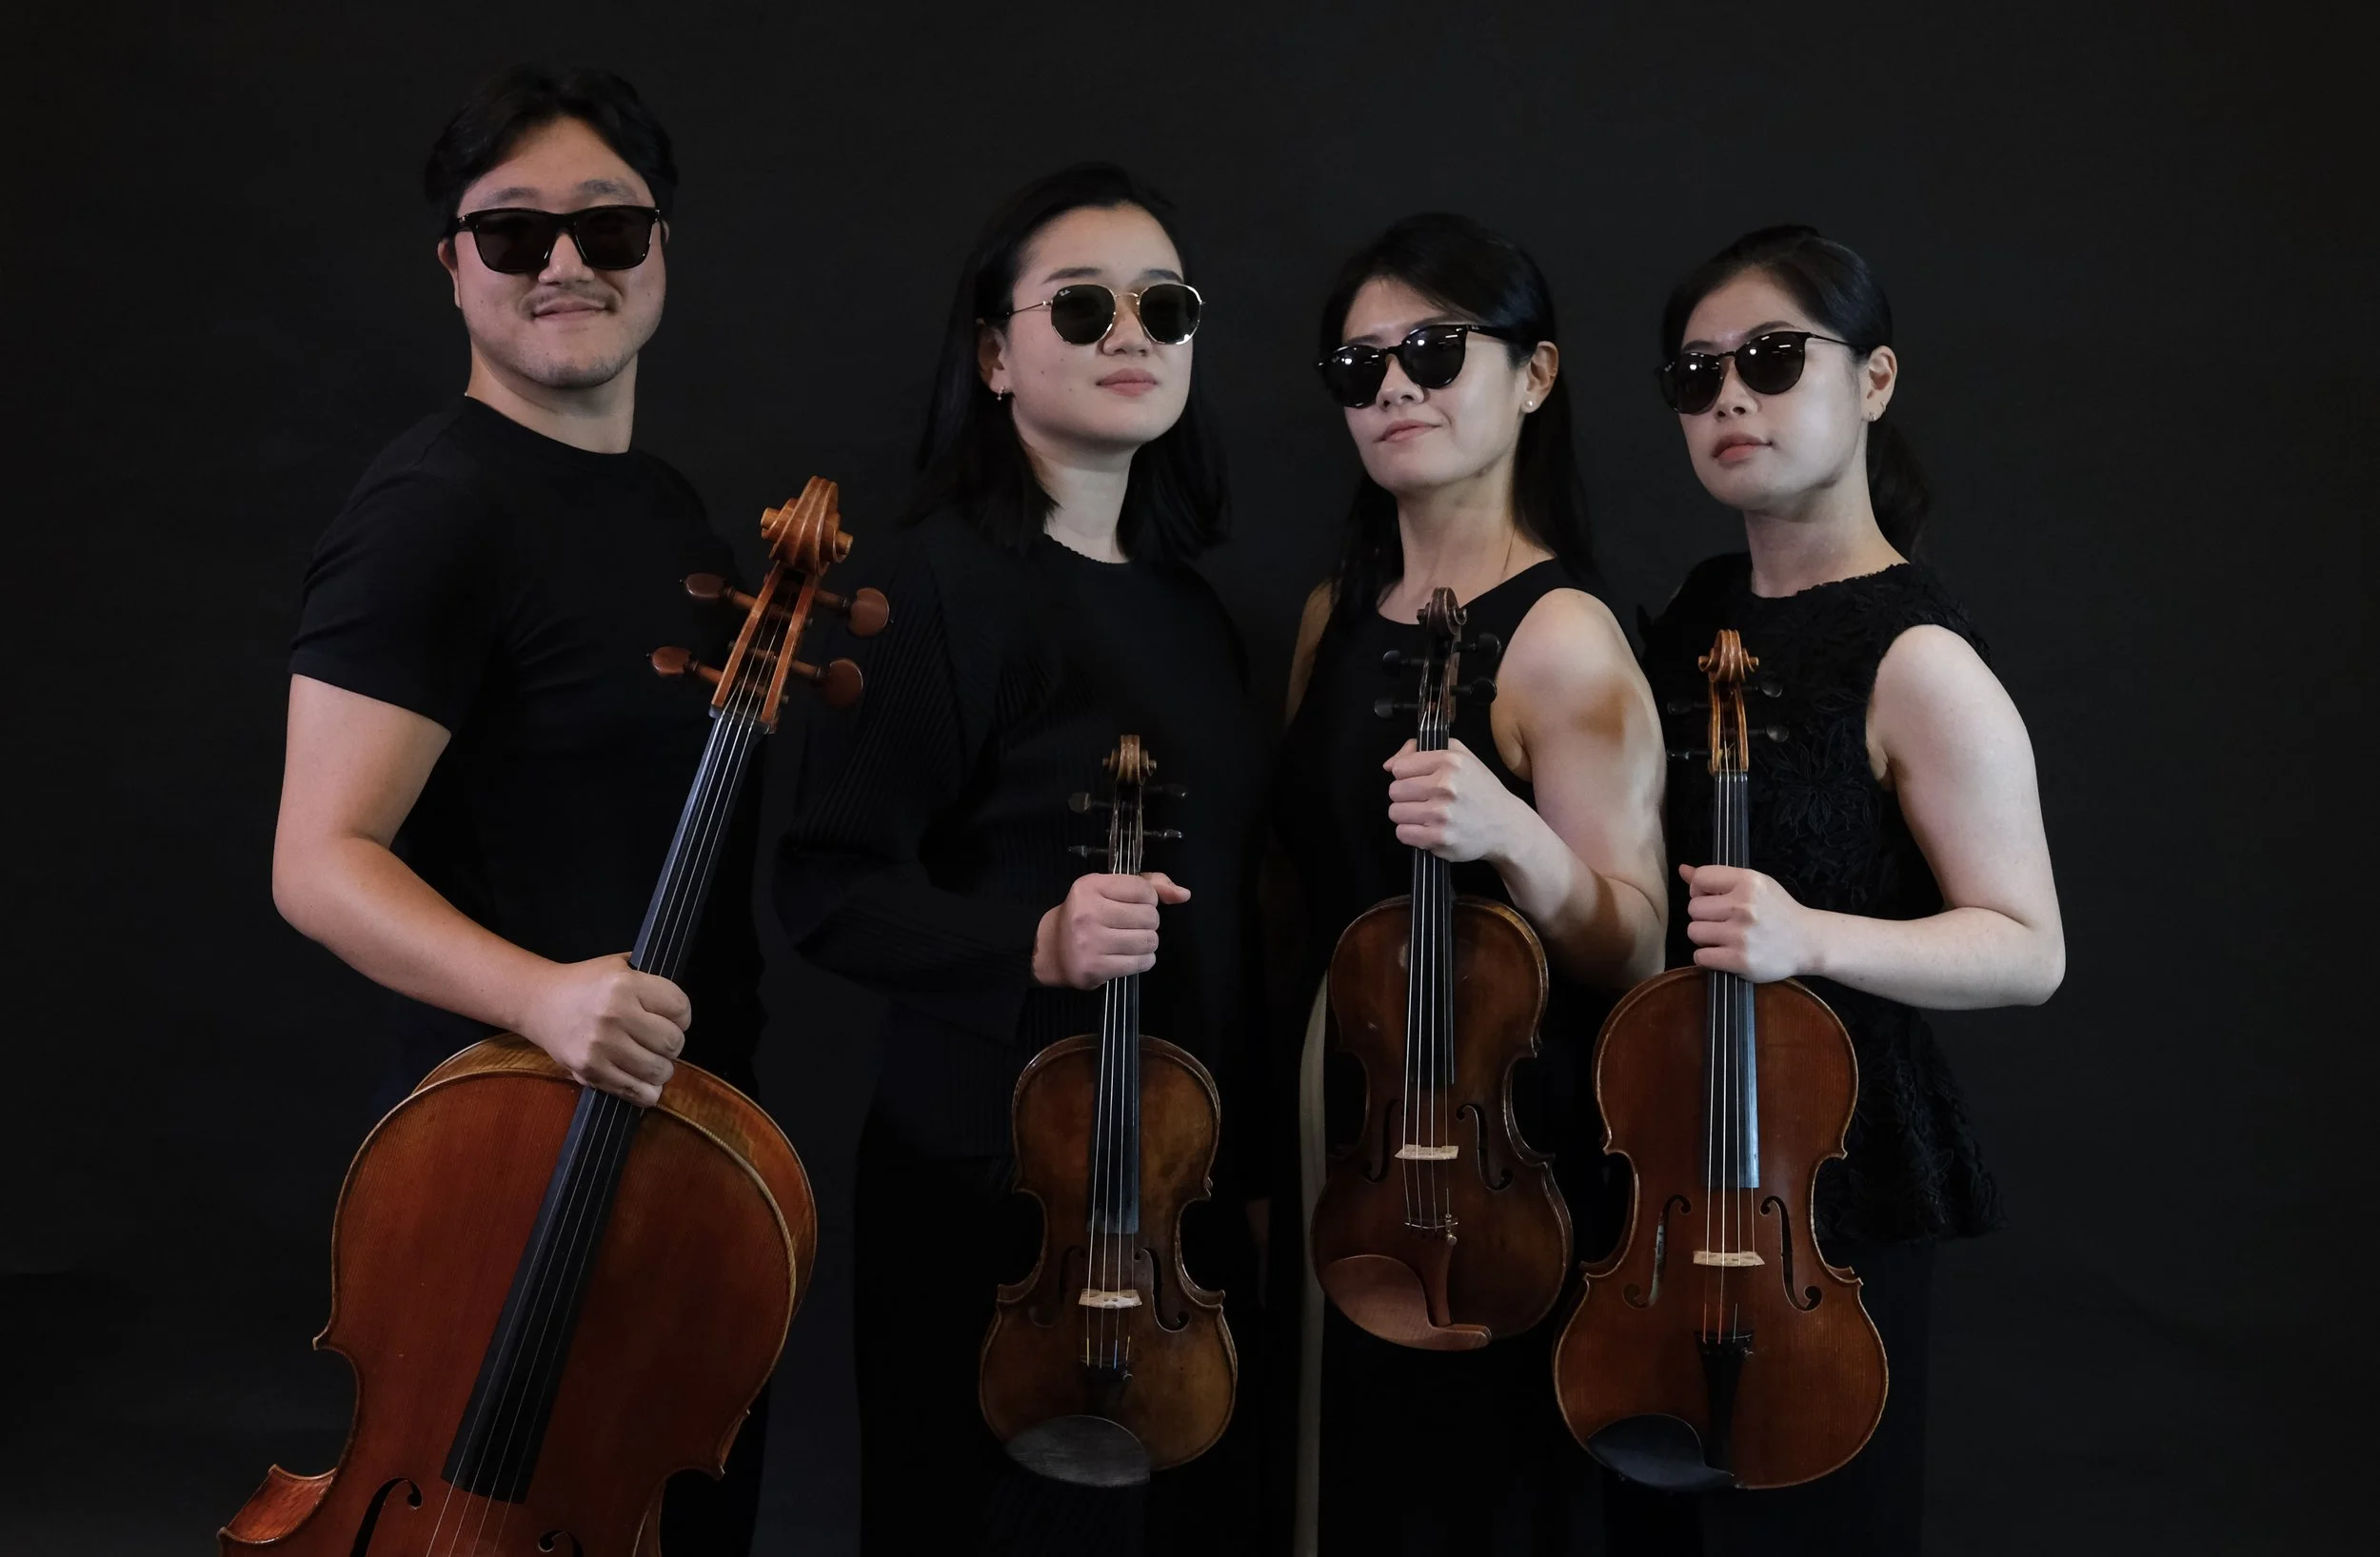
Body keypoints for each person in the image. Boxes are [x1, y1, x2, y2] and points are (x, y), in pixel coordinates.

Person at [269, 66, 769, 1551]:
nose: (566, 266)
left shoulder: (667, 511)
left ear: (660, 249)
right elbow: (318, 859)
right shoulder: (434, 508)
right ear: (454, 266)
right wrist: (543, 997)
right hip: (503, 1163)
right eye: (514, 236)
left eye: (609, 230)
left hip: (678, 1160)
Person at [768, 163, 1267, 1554]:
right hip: (994, 1191)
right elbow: (823, 883)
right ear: (994, 353)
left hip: (1180, 1194)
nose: (1132, 335)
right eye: (1085, 306)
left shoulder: (1194, 612)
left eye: (1163, 307)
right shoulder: (923, 586)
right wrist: (1030, 945)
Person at [1636, 225, 2065, 1554]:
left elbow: (2027, 947)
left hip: (1832, 1178)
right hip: (1670, 1160)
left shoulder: (1917, 653)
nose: (1729, 401)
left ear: (1874, 379)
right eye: (1697, 376)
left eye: (1770, 359)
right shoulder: (1695, 611)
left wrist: (1810, 932)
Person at [1272, 211, 1670, 1555]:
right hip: (1338, 1124)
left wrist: (1513, 831)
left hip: (1493, 1165)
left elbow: (1637, 942)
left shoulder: (1562, 637)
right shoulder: (1338, 611)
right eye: (1359, 365)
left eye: (1435, 352)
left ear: (1536, 376)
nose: (1393, 387)